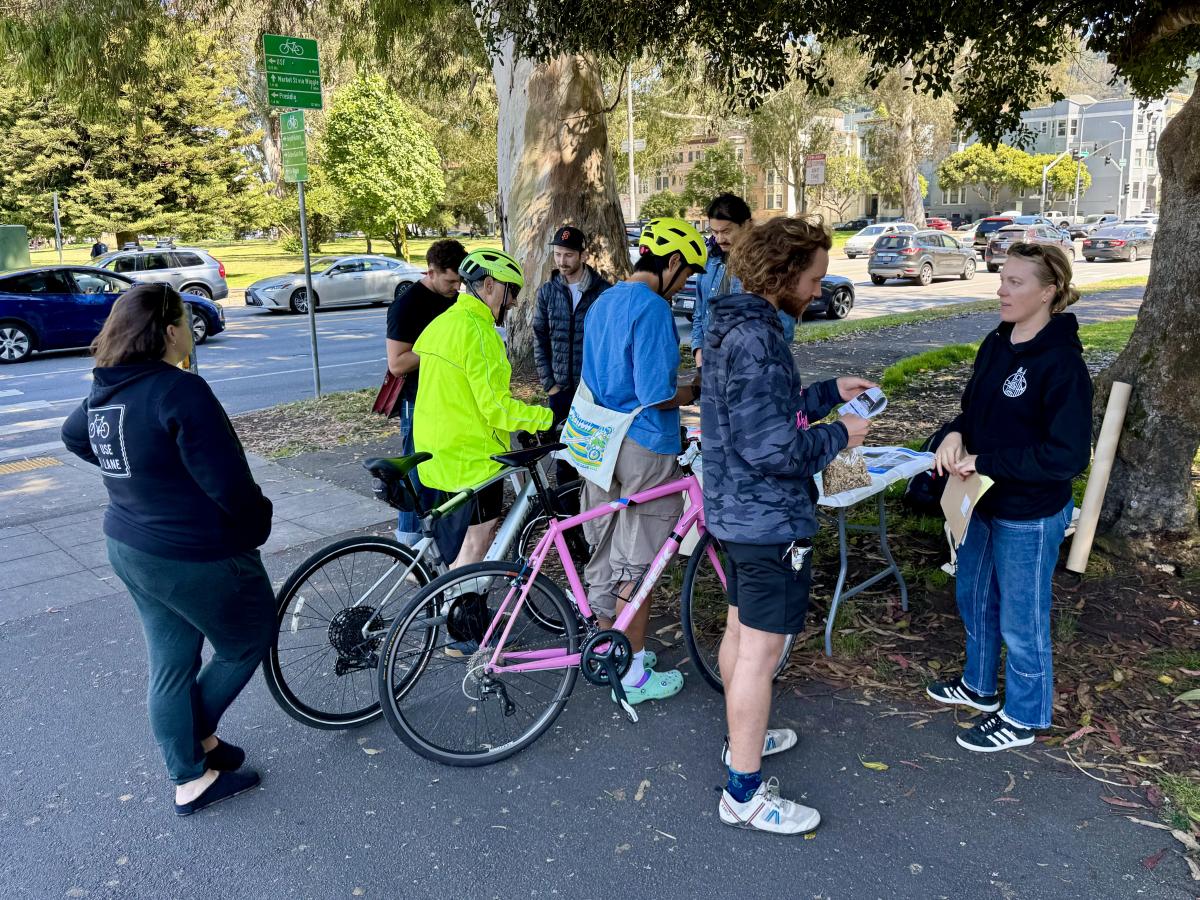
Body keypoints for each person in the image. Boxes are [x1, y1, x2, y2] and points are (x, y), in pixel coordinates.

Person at [60, 282, 274, 817]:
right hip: (193, 554)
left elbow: (75, 435)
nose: (190, 331)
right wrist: (257, 525)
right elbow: (229, 483)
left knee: (172, 661)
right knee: (248, 636)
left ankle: (191, 768)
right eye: (184, 319)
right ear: (170, 329)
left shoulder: (109, 387)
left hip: (131, 546)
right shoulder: (180, 390)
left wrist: (140, 479)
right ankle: (194, 742)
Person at [699, 216, 872, 834]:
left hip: (734, 510)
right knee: (760, 654)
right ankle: (743, 793)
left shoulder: (732, 323)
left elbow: (757, 413)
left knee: (742, 633)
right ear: (785, 273)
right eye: (816, 276)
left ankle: (740, 738)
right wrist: (839, 435)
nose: (820, 289)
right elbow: (774, 447)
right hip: (768, 518)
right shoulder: (760, 338)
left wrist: (826, 393)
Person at [926, 242, 1091, 751]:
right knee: (973, 596)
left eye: (1016, 282)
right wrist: (953, 435)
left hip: (1029, 511)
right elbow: (973, 412)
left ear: (1049, 292)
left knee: (1022, 617)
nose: (1001, 289)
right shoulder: (996, 342)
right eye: (1002, 277)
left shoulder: (1062, 365)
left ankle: (1025, 713)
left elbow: (1065, 457)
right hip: (978, 501)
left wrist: (988, 462)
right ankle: (978, 686)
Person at [574, 217, 706, 706]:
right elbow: (657, 393)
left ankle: (614, 653)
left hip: (597, 443)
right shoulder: (652, 309)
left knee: (605, 553)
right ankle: (631, 675)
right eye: (687, 274)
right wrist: (695, 388)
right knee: (642, 561)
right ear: (672, 262)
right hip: (644, 446)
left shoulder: (602, 301)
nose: (685, 284)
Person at [412, 248, 564, 569]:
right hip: (471, 459)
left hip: (435, 453)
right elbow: (496, 408)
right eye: (512, 291)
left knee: (451, 544)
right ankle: (462, 614)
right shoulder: (479, 333)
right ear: (491, 285)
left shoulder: (444, 323)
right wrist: (547, 417)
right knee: (476, 543)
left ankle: (446, 599)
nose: (513, 302)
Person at [385, 239, 468, 543]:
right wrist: (441, 349)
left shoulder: (454, 300)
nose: (457, 287)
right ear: (431, 271)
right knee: (416, 470)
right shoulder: (407, 305)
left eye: (460, 281)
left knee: (440, 471)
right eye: (450, 280)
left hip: (447, 399)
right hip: (416, 401)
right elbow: (397, 363)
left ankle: (436, 537)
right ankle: (408, 541)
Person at [533, 225, 612, 492]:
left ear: (583, 255)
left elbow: (609, 343)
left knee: (593, 458)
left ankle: (592, 518)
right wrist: (550, 384)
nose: (561, 261)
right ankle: (568, 522)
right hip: (560, 391)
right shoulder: (546, 292)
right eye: (557, 254)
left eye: (568, 255)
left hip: (592, 391)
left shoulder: (603, 291)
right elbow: (539, 338)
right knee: (563, 457)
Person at [690, 193, 796, 367]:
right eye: (714, 232)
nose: (719, 239)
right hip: (711, 365)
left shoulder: (768, 263)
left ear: (747, 225)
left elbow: (784, 327)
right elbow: (700, 314)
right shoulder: (709, 260)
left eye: (726, 231)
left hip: (753, 366)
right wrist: (699, 354)